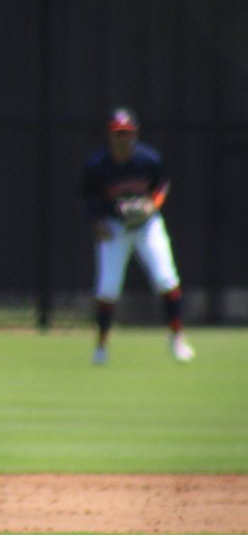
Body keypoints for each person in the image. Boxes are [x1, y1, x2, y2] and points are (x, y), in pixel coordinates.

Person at [81, 107, 195, 365]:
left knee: (166, 278)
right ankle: (101, 346)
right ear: (110, 135)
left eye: (126, 133)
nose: (122, 138)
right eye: (118, 133)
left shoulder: (148, 159)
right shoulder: (97, 165)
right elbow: (87, 197)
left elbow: (162, 184)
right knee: (108, 288)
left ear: (135, 134)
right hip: (115, 226)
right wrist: (96, 222)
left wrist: (154, 204)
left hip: (147, 225)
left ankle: (177, 338)